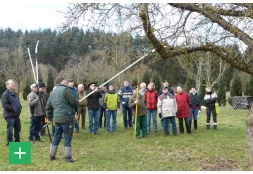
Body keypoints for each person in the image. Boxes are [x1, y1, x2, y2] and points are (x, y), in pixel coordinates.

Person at [46, 77, 79, 162]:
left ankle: (52, 155)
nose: (67, 81)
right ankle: (68, 157)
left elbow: (48, 106)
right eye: (65, 80)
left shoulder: (52, 92)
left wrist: (49, 118)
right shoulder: (66, 90)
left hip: (56, 118)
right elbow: (73, 102)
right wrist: (77, 102)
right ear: (60, 82)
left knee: (56, 136)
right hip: (66, 117)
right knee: (67, 136)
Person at [1, 79, 22, 146]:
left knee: (18, 128)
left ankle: (17, 141)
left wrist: (20, 107)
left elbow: (17, 102)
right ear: (7, 85)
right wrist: (13, 110)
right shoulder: (5, 94)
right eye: (12, 83)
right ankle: (9, 142)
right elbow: (5, 105)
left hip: (16, 115)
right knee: (10, 129)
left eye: (14, 83)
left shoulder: (14, 93)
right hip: (9, 115)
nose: (14, 84)